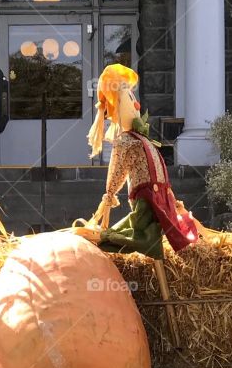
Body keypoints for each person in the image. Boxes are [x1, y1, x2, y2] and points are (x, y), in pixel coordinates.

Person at [79, 63, 200, 259]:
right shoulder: (126, 141)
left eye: (133, 97)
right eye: (129, 98)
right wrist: (110, 194)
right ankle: (103, 241)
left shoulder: (140, 138)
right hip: (147, 197)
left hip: (161, 196)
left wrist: (169, 194)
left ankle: (152, 261)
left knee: (169, 232)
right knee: (142, 234)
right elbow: (118, 169)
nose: (136, 104)